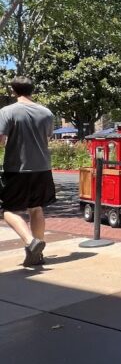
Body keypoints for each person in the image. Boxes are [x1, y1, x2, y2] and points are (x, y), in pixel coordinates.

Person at [0, 76, 57, 267]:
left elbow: (0, 140)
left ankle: (31, 242)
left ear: (13, 91)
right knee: (36, 208)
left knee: (7, 210)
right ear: (32, 90)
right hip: (42, 168)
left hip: (17, 168)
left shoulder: (7, 112)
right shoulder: (47, 113)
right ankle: (37, 254)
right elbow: (47, 136)